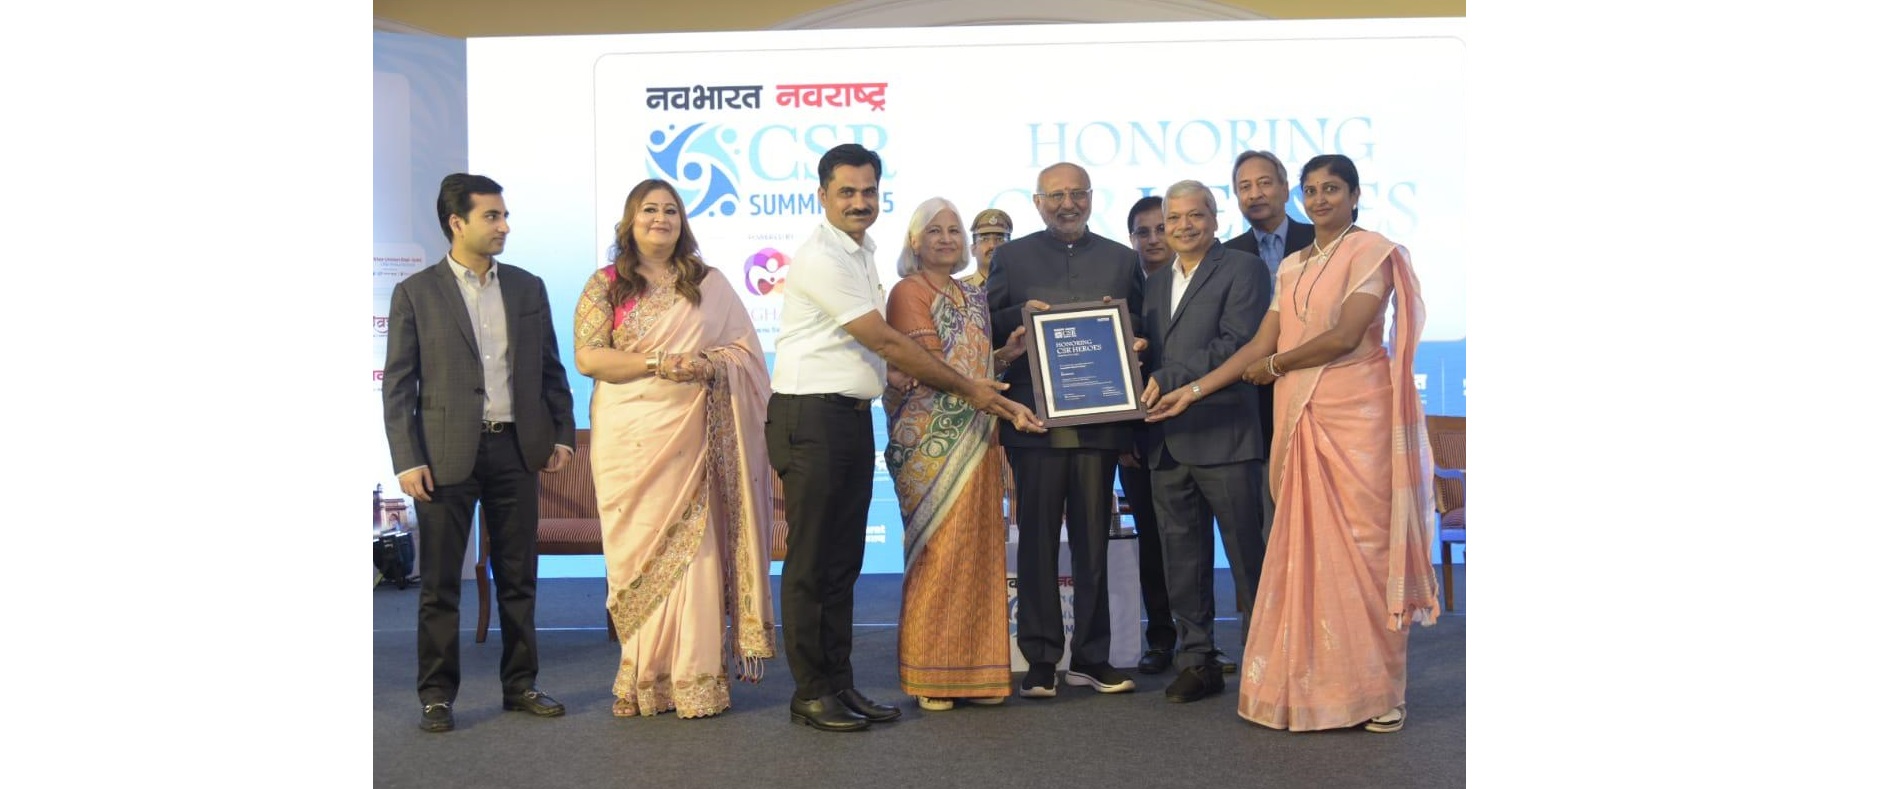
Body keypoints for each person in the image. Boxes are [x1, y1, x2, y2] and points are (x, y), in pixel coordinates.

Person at [1144, 154, 1440, 732]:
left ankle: (1379, 692)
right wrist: (1191, 392)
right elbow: (1259, 344)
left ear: (1355, 195)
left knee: (1363, 554)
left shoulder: (1372, 252)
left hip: (1358, 422)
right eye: (1313, 190)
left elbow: (1346, 335)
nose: (1321, 199)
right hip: (1301, 420)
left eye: (1332, 189)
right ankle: (1314, 686)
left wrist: (1277, 365)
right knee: (1308, 558)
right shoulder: (1292, 265)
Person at [769, 143, 1044, 733]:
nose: (859, 202)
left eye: (868, 191)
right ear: (822, 196)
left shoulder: (862, 253)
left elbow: (884, 356)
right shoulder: (822, 258)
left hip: (847, 416)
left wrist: (989, 362)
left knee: (842, 562)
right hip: (809, 417)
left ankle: (839, 684)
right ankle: (811, 693)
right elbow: (889, 342)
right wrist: (972, 391)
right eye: (846, 192)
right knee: (813, 563)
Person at [571, 179, 778, 719]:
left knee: (696, 551)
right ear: (630, 219)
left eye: (670, 210)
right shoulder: (605, 285)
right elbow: (589, 359)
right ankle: (641, 676)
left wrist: (708, 363)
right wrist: (660, 362)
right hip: (630, 437)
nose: (660, 218)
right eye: (649, 209)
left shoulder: (708, 283)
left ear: (682, 221)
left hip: (694, 435)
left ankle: (693, 678)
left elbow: (744, 354)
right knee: (636, 556)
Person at [383, 173, 577, 733]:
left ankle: (520, 684)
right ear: (457, 223)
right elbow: (398, 385)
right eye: (492, 216)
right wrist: (407, 459)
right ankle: (436, 695)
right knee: (440, 584)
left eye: (504, 215)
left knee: (519, 578)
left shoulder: (527, 287)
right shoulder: (416, 293)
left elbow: (551, 370)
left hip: (515, 450)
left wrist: (562, 434)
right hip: (443, 457)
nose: (504, 226)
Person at [987, 162, 1145, 698]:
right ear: (1037, 202)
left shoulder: (1122, 260)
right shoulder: (1010, 258)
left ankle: (1093, 658)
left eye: (1077, 193)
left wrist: (1134, 339)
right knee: (1035, 542)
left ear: (1092, 198)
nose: (1067, 204)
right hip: (1034, 422)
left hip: (1100, 425)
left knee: (1093, 543)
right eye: (1056, 195)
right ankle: (1040, 657)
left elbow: (1142, 327)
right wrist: (1020, 313)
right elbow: (987, 323)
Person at [884, 198, 1026, 711]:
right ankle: (930, 673)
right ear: (914, 241)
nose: (946, 238)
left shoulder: (972, 295)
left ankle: (977, 675)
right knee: (940, 553)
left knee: (981, 552)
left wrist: (1008, 353)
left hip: (979, 435)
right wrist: (980, 386)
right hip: (931, 441)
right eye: (934, 230)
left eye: (953, 230)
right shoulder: (908, 291)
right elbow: (928, 365)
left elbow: (974, 364)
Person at [1135, 180, 1270, 703]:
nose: (1183, 226)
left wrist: (1167, 377)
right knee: (1182, 560)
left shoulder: (1243, 268)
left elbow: (1237, 342)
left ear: (1215, 219)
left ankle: (1266, 660)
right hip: (1166, 440)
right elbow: (1155, 355)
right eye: (1174, 218)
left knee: (1247, 556)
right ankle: (1197, 661)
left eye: (1195, 215)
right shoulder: (1153, 283)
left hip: (1225, 436)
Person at [1223, 149, 1313, 673]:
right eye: (1244, 186)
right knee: (1256, 534)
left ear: (1284, 187)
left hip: (1318, 404)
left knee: (1316, 530)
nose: (1254, 194)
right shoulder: (1226, 255)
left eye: (1264, 183)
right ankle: (1263, 646)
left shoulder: (1326, 241)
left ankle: (1319, 639)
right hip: (1249, 414)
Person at [1121, 196, 1175, 675]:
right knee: (1153, 542)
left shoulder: (1199, 281)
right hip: (1139, 440)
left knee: (1196, 543)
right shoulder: (1121, 290)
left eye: (1162, 228)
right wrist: (1124, 437)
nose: (1154, 239)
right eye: (1144, 231)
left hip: (1201, 428)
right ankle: (1161, 636)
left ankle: (1206, 642)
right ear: (1132, 239)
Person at [961, 207, 1013, 288]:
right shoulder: (959, 289)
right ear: (973, 249)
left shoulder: (1023, 287)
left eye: (1000, 239)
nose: (993, 245)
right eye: (984, 239)